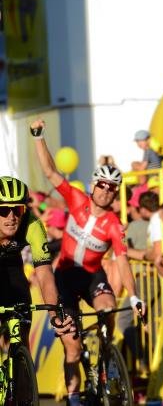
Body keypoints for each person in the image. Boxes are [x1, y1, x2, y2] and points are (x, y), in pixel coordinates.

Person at [30, 120, 143, 406]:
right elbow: (50, 172)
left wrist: (133, 295)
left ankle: (108, 356)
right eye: (102, 185)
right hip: (64, 279)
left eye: (112, 188)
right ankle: (74, 397)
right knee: (72, 348)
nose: (106, 191)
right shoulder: (76, 199)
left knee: (107, 310)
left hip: (93, 276)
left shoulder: (115, 225)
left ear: (116, 194)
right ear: (93, 185)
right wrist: (39, 136)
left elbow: (123, 261)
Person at [0, 177, 74, 341]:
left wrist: (54, 314)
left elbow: (45, 274)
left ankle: (21, 361)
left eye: (17, 209)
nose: (11, 217)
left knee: (21, 334)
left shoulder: (32, 225)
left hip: (13, 271)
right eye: (4, 211)